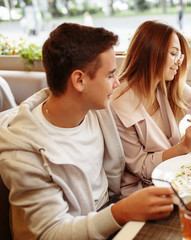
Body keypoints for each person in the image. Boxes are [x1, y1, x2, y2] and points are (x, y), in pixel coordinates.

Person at [0, 23, 174, 239]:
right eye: (110, 75)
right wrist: (121, 212)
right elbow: (50, 233)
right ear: (79, 80)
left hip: (108, 211)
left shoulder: (95, 109)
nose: (117, 83)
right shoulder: (24, 153)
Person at [110, 20, 191, 197]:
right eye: (174, 54)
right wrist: (183, 147)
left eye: (181, 55)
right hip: (144, 192)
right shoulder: (119, 102)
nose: (179, 62)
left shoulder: (167, 84)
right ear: (151, 53)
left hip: (177, 175)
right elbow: (141, 167)